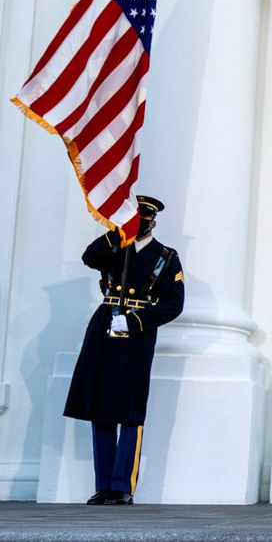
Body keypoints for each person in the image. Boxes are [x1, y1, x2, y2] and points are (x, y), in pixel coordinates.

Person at [64, 195, 185, 505]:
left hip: (135, 333)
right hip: (104, 326)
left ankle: (121, 486)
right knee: (99, 406)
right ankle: (103, 485)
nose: (138, 225)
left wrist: (135, 321)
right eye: (133, 220)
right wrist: (117, 234)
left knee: (128, 409)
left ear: (153, 222)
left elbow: (174, 304)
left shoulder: (166, 257)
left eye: (143, 221)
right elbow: (89, 258)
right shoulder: (115, 247)